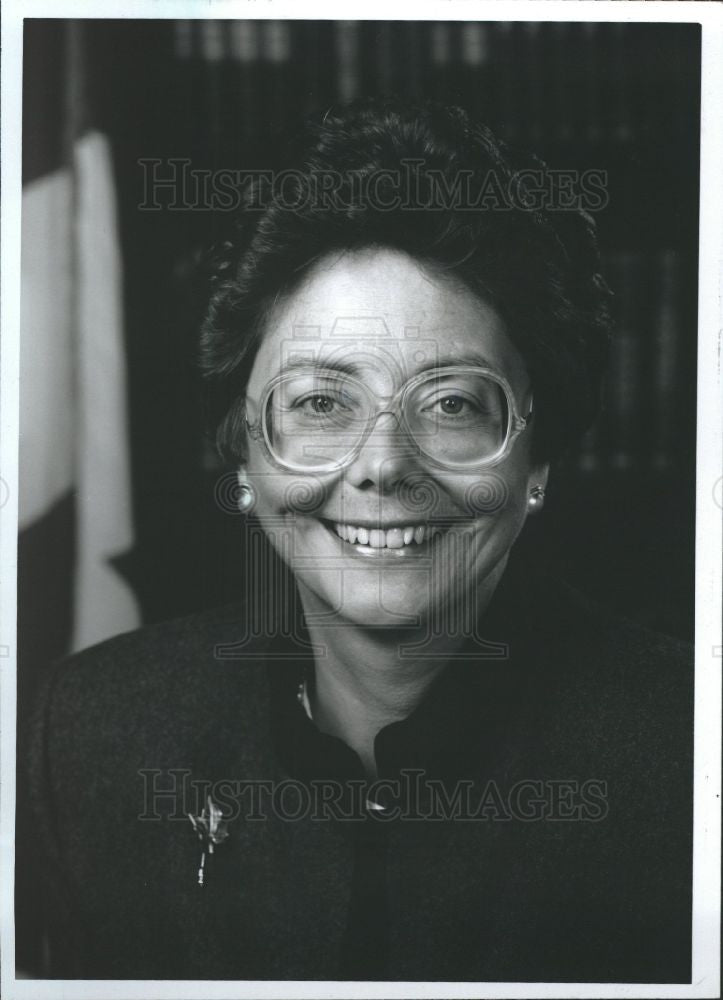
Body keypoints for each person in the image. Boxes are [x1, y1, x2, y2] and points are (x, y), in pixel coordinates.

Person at [21, 99, 693, 983]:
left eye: (452, 404)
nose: (381, 466)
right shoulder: (97, 737)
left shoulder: (687, 756)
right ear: (245, 454)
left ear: (537, 457)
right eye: (319, 403)